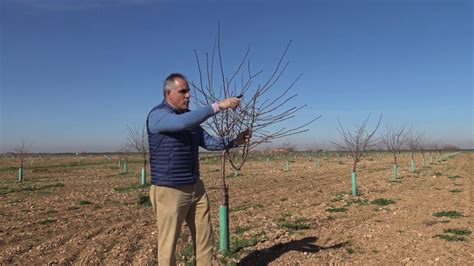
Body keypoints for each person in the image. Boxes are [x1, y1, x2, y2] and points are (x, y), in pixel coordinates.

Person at [147, 73, 249, 265]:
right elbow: (181, 124)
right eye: (183, 91)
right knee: (168, 246)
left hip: (195, 187)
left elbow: (209, 142)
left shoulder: (189, 119)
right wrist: (218, 106)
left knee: (205, 239)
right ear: (169, 94)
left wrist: (235, 141)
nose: (188, 95)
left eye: (188, 91)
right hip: (170, 190)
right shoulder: (157, 116)